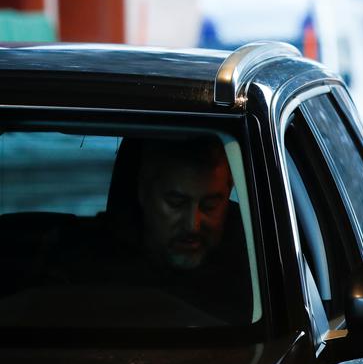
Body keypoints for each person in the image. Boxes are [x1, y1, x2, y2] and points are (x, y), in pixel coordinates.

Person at [53, 135, 252, 324]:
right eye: (176, 203)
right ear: (143, 192)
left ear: (229, 194)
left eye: (210, 205)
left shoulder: (258, 262)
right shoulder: (89, 273)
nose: (193, 224)